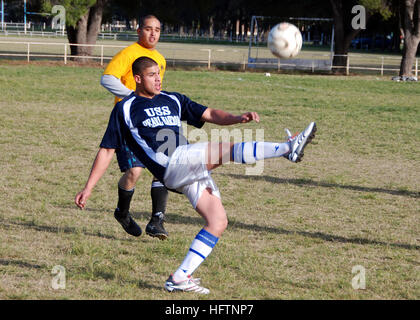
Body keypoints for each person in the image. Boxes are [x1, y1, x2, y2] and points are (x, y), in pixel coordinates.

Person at [75, 57, 317, 294]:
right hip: (171, 163)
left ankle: (180, 277)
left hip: (185, 163)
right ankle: (288, 149)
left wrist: (237, 118)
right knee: (227, 148)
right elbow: (107, 149)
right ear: (137, 79)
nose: (158, 79)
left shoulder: (172, 99)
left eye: (159, 73)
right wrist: (88, 188)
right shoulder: (125, 108)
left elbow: (209, 114)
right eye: (151, 75)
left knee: (218, 221)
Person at [100, 15, 169, 240]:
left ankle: (157, 220)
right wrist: (133, 96)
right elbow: (107, 79)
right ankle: (122, 213)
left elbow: (156, 87)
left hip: (152, 119)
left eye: (157, 30)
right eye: (148, 29)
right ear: (139, 30)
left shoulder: (160, 58)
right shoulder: (128, 54)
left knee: (165, 165)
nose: (153, 34)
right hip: (129, 121)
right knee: (134, 172)